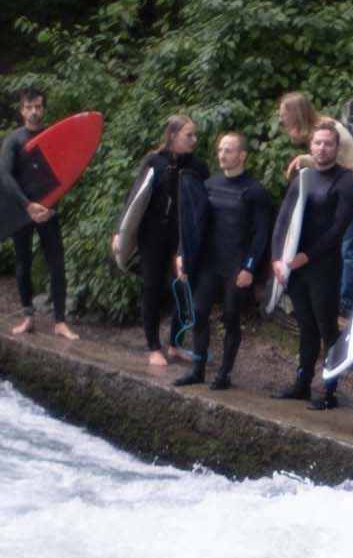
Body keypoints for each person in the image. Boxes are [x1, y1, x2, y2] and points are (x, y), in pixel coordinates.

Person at [172, 132, 270, 391]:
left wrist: (250, 267)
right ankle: (198, 369)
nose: (222, 155)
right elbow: (193, 225)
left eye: (228, 150)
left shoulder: (254, 190)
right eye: (220, 150)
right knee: (200, 313)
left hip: (236, 266)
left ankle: (224, 374)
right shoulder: (210, 185)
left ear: (242, 155)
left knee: (230, 316)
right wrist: (183, 254)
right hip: (208, 264)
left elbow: (261, 235)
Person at [271, 119, 353, 409]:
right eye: (318, 143)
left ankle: (330, 390)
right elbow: (284, 220)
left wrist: (307, 256)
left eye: (328, 143)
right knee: (306, 325)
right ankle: (302, 384)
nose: (322, 148)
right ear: (310, 146)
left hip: (323, 265)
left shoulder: (346, 181)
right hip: (296, 266)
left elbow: (337, 230)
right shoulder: (303, 178)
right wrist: (276, 258)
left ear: (337, 147)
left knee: (327, 328)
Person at [108, 114, 207, 367]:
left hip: (180, 237)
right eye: (189, 135)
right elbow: (135, 197)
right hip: (151, 235)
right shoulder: (154, 161)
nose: (194, 140)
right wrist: (121, 231)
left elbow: (202, 205)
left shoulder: (197, 167)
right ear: (173, 135)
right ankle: (153, 346)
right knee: (152, 287)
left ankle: (175, 344)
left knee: (182, 287)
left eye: (195, 135)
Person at [277, 92, 353, 316]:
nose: (282, 120)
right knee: (345, 245)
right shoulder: (318, 128)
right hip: (351, 189)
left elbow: (348, 165)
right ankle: (340, 294)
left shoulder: (326, 130)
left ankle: (346, 302)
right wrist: (304, 159)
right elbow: (327, 161)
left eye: (285, 115)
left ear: (296, 114)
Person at [2, 86, 80, 343]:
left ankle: (60, 322)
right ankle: (28, 317)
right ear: (22, 110)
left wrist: (51, 206)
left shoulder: (52, 136)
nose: (34, 112)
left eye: (38, 106)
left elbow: (64, 173)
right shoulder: (14, 140)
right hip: (22, 211)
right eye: (29, 107)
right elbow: (5, 176)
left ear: (43, 108)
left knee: (56, 264)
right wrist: (27, 206)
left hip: (48, 210)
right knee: (23, 264)